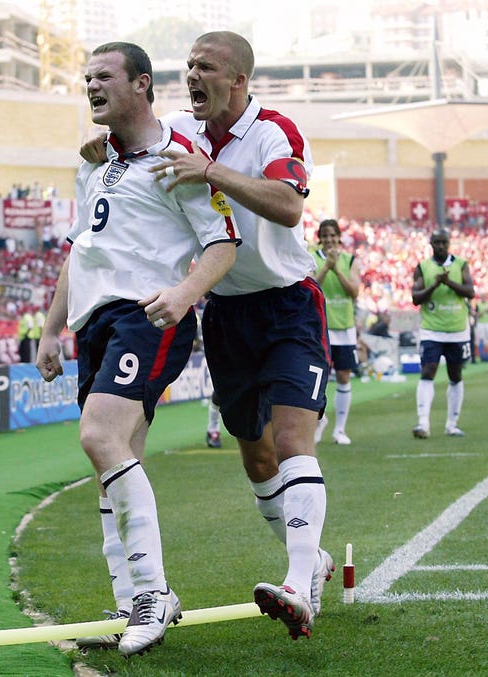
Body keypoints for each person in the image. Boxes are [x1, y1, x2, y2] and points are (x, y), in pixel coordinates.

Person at [83, 31, 336, 641]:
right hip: (224, 311)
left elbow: (289, 205)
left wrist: (211, 169)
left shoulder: (273, 130)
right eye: (187, 66)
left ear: (238, 81)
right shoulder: (176, 126)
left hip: (287, 304)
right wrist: (100, 144)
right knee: (256, 457)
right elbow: (127, 140)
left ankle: (300, 583)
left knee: (293, 436)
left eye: (206, 68)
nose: (192, 76)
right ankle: (316, 561)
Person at [36, 41, 239, 657]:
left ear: (142, 84)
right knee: (111, 463)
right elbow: (81, 249)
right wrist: (51, 328)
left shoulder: (178, 160)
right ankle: (131, 607)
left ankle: (153, 595)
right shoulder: (94, 165)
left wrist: (185, 295)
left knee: (100, 438)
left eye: (103, 77)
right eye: (86, 79)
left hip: (149, 314)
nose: (91, 87)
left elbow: (223, 242)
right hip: (94, 322)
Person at [411, 227, 475, 438]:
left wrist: (448, 282)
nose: (440, 246)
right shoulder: (422, 267)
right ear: (431, 244)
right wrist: (435, 285)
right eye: (436, 243)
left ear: (449, 244)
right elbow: (416, 297)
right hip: (432, 330)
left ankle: (452, 424)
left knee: (455, 375)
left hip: (457, 330)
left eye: (443, 243)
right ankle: (423, 423)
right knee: (428, 371)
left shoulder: (461, 265)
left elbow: (470, 292)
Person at [311, 219, 360, 445]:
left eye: (333, 235)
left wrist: (337, 268)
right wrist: (326, 267)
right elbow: (310, 287)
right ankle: (319, 420)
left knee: (343, 377)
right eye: (325, 235)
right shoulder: (311, 255)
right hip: (319, 327)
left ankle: (340, 429)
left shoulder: (350, 260)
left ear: (339, 237)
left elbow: (354, 291)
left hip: (345, 328)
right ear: (319, 237)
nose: (329, 239)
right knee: (317, 379)